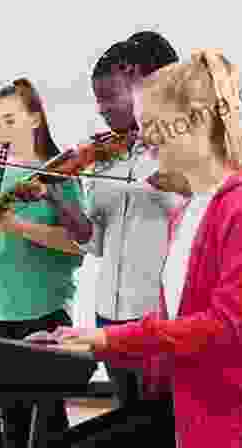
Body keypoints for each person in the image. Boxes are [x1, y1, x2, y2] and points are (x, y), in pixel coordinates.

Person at [28, 49, 242, 447]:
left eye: (154, 125)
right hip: (193, 418)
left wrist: (105, 341)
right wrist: (83, 341)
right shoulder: (188, 214)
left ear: (198, 121)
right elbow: (180, 328)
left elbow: (228, 329)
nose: (143, 138)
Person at [0, 77, 93, 448]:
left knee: (46, 426)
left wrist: (17, 226)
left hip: (45, 310)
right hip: (2, 312)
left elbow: (78, 247)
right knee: (9, 425)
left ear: (34, 119)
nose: (2, 133)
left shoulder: (60, 173)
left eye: (9, 121)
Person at [84, 31, 188, 410]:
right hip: (108, 311)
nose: (103, 109)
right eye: (99, 101)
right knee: (127, 416)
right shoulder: (106, 156)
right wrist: (60, 198)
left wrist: (145, 158)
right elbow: (94, 242)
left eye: (112, 97)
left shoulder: (176, 148)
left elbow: (183, 214)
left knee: (159, 418)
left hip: (154, 311)